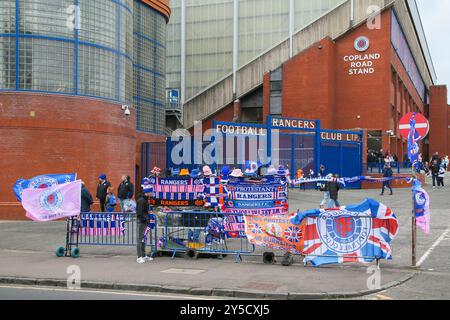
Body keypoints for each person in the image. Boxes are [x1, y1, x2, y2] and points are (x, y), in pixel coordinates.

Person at [136, 185, 153, 264]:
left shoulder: (145, 200)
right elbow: (139, 213)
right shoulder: (141, 200)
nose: (152, 193)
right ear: (147, 192)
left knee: (143, 238)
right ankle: (139, 257)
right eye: (151, 191)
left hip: (144, 221)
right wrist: (144, 219)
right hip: (141, 221)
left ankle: (143, 255)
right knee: (140, 239)